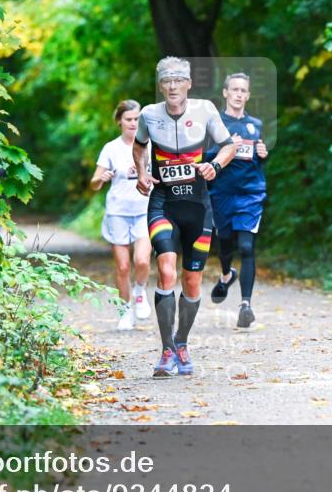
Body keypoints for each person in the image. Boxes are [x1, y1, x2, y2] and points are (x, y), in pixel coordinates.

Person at [133, 57, 239, 377]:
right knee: (166, 268)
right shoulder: (148, 115)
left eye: (179, 79)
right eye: (167, 80)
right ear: (160, 85)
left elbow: (228, 146)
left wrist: (214, 166)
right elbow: (139, 148)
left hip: (198, 204)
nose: (173, 85)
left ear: (189, 84)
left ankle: (181, 341)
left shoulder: (205, 109)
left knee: (192, 281)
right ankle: (166, 351)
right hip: (163, 202)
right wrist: (141, 172)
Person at [207, 72, 269, 328]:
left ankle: (246, 305)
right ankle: (225, 275)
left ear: (248, 95)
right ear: (225, 93)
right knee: (225, 244)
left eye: (243, 91)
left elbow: (255, 159)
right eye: (234, 90)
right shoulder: (214, 123)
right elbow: (204, 157)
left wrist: (263, 155)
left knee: (246, 246)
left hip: (250, 194)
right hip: (221, 192)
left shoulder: (255, 125)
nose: (239, 95)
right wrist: (225, 147)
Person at [90, 99, 152, 330]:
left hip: (144, 210)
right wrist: (101, 178)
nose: (134, 123)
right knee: (123, 267)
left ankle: (139, 291)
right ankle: (125, 311)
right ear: (119, 122)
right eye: (129, 119)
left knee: (143, 260)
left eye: (137, 119)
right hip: (117, 212)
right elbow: (94, 184)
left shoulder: (150, 146)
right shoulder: (111, 148)